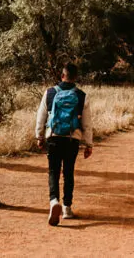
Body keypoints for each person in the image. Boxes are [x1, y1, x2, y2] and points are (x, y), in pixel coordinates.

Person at [35, 62, 93, 226]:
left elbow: (41, 116)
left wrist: (39, 136)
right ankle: (67, 208)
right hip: (71, 138)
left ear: (62, 75)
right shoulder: (82, 95)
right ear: (75, 78)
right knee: (68, 172)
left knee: (53, 171)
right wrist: (88, 144)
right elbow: (87, 123)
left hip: (53, 136)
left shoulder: (50, 92)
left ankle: (54, 201)